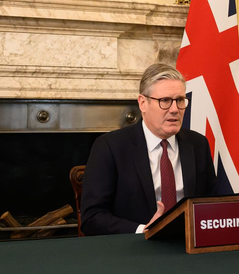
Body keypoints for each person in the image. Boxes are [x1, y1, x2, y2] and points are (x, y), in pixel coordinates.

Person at [80, 64, 217, 235]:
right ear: (143, 103)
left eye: (180, 100)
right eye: (165, 101)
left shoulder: (197, 144)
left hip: (188, 247)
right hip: (133, 252)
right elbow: (92, 218)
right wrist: (143, 231)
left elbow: (212, 205)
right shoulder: (110, 147)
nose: (175, 109)